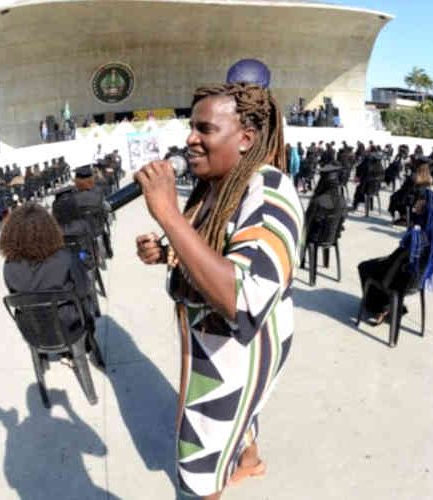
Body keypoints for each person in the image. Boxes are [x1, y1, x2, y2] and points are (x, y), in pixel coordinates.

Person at [135, 82, 303, 499]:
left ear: (245, 138)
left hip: (234, 358)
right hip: (208, 342)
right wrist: (167, 251)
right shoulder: (219, 184)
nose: (190, 138)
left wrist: (169, 216)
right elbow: (216, 246)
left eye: (204, 129)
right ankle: (250, 462)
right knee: (239, 425)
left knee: (196, 468)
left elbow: (243, 302)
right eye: (192, 126)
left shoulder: (269, 193)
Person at [0, 204, 96, 346]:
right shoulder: (65, 258)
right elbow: (83, 290)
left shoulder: (8, 266)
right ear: (49, 228)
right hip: (70, 328)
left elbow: (16, 295)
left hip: (32, 331)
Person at [358, 189, 433, 325]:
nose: (415, 204)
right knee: (379, 265)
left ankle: (380, 307)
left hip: (403, 279)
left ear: (425, 206)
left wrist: (384, 261)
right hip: (419, 280)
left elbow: (396, 259)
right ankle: (388, 305)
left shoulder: (418, 236)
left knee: (365, 267)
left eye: (418, 201)